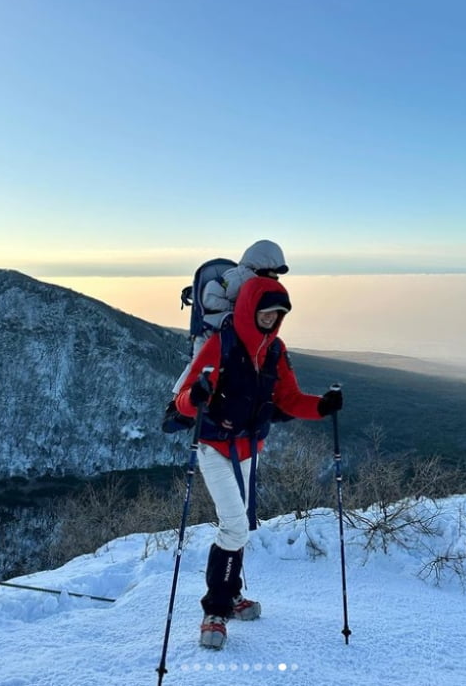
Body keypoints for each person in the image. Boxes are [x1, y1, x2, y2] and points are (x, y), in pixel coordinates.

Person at [175, 274, 343, 649]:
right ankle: (215, 612)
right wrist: (197, 393)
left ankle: (230, 597)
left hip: (250, 448)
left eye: (278, 314)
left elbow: (289, 399)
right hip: (215, 447)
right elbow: (185, 399)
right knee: (234, 526)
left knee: (239, 528)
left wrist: (321, 406)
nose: (271, 318)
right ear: (251, 308)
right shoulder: (221, 345)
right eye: (266, 312)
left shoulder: (275, 351)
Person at [171, 239, 289, 394]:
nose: (275, 278)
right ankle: (179, 402)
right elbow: (210, 298)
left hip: (231, 334)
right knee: (198, 368)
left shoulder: (250, 280)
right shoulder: (239, 279)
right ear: (260, 265)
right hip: (211, 332)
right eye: (274, 273)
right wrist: (235, 313)